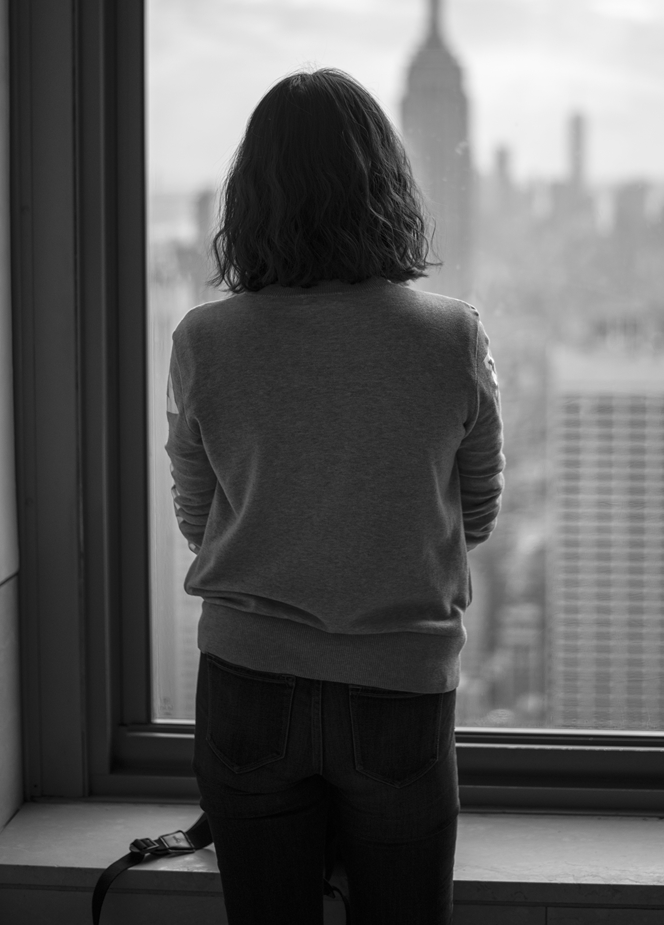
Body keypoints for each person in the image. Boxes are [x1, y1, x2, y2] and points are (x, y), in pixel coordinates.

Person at [165, 67, 505, 925]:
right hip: (401, 687)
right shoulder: (450, 337)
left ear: (250, 199)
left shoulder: (205, 340)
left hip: (246, 685)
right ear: (387, 189)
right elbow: (478, 511)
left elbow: (197, 517)